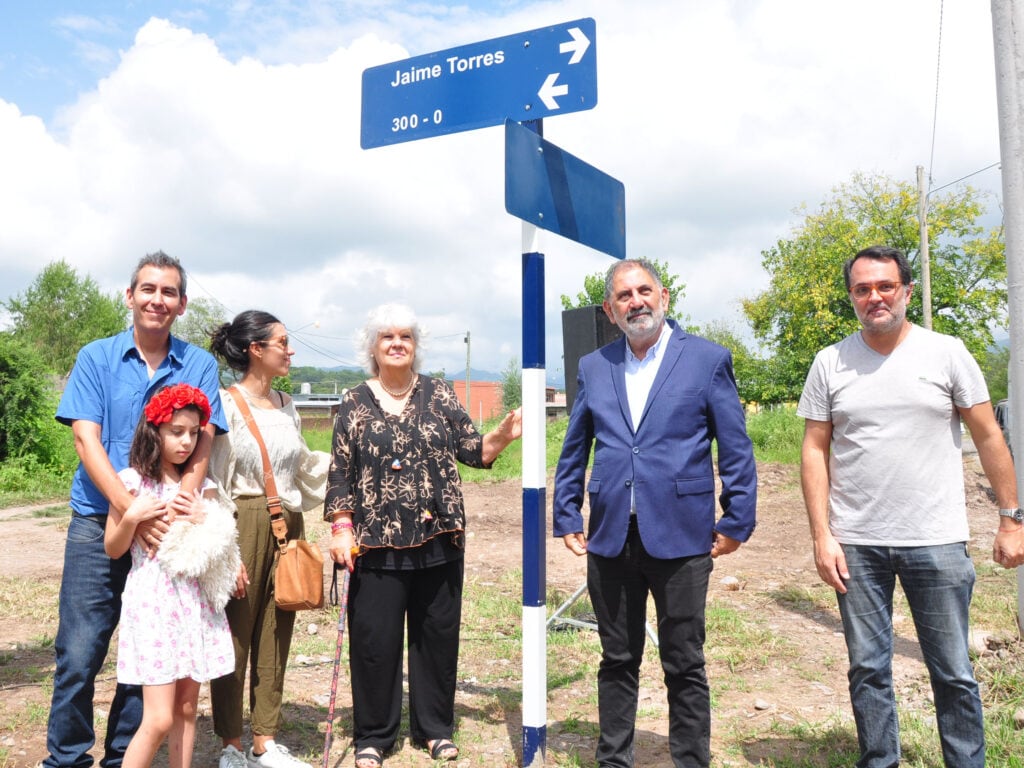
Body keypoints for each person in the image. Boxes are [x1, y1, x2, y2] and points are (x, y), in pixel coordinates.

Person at [798, 244, 1024, 768]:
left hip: (937, 540)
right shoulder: (830, 362)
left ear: (906, 290)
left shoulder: (946, 352)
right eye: (862, 289)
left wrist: (1012, 519)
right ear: (852, 297)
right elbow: (814, 448)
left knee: (952, 671)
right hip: (856, 543)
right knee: (868, 670)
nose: (874, 297)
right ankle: (881, 761)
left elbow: (989, 435)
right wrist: (821, 535)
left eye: (884, 286)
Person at [553, 258, 757, 768]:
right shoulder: (595, 366)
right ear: (610, 308)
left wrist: (736, 519)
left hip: (683, 535)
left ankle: (690, 760)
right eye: (624, 296)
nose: (636, 302)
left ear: (663, 296)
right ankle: (613, 760)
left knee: (684, 661)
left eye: (644, 291)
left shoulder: (707, 359)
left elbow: (734, 447)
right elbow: (575, 445)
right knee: (617, 659)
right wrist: (566, 513)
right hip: (610, 535)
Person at [46, 252, 226, 768]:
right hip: (101, 520)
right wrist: (134, 512)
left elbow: (204, 444)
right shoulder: (97, 358)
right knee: (80, 651)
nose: (157, 300)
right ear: (130, 296)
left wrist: (179, 505)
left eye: (169, 292)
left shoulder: (199, 365)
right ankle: (67, 758)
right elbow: (86, 439)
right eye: (148, 289)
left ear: (182, 304)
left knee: (153, 653)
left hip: (169, 528)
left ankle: (126, 756)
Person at [325, 303, 522, 768]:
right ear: (373, 347)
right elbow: (339, 473)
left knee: (437, 637)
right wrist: (340, 526)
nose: (397, 344)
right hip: (374, 541)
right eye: (387, 337)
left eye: (406, 337)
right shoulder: (353, 401)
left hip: (440, 535)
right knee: (375, 640)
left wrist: (503, 436)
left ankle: (435, 728)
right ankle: (373, 735)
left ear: (416, 346)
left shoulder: (438, 394)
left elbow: (472, 450)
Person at [208, 310, 331, 768]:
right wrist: (226, 551)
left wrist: (346, 465)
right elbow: (216, 481)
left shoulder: (286, 402)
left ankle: (265, 739)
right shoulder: (226, 402)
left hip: (287, 523)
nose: (291, 349)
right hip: (243, 522)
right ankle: (231, 744)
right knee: (235, 636)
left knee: (278, 634)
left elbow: (299, 467)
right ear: (256, 349)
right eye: (283, 342)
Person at [105, 383, 240, 768]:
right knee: (159, 717)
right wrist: (131, 516)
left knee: (185, 709)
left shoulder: (203, 489)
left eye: (194, 434)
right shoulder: (132, 482)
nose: (186, 442)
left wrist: (204, 518)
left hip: (194, 604)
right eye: (176, 432)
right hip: (153, 604)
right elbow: (113, 548)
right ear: (155, 431)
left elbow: (219, 550)